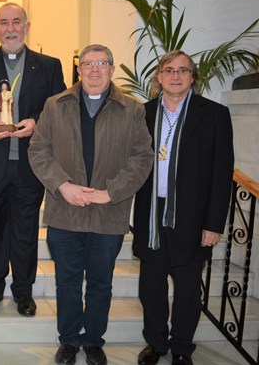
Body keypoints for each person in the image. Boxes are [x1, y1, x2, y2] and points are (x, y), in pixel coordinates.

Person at [28, 44, 154, 365]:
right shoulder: (56, 106)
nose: (95, 69)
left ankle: (94, 341)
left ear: (112, 69)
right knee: (67, 282)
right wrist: (62, 185)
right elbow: (38, 149)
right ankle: (69, 340)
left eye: (102, 63)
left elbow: (141, 158)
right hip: (64, 211)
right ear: (79, 70)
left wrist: (111, 193)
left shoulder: (132, 110)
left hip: (108, 214)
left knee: (101, 282)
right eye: (88, 64)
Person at [132, 50, 234, 365]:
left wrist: (214, 224)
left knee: (189, 291)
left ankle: (181, 348)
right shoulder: (142, 114)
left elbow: (221, 173)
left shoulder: (214, 114)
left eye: (184, 70)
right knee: (151, 287)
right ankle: (156, 344)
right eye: (169, 70)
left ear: (192, 77)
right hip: (152, 215)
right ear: (159, 77)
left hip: (193, 217)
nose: (176, 76)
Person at [0, 2, 66, 317]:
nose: (10, 28)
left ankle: (23, 292)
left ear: (27, 26)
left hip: (30, 165)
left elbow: (59, 107)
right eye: (3, 23)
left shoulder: (49, 66)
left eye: (16, 22)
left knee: (25, 232)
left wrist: (36, 122)